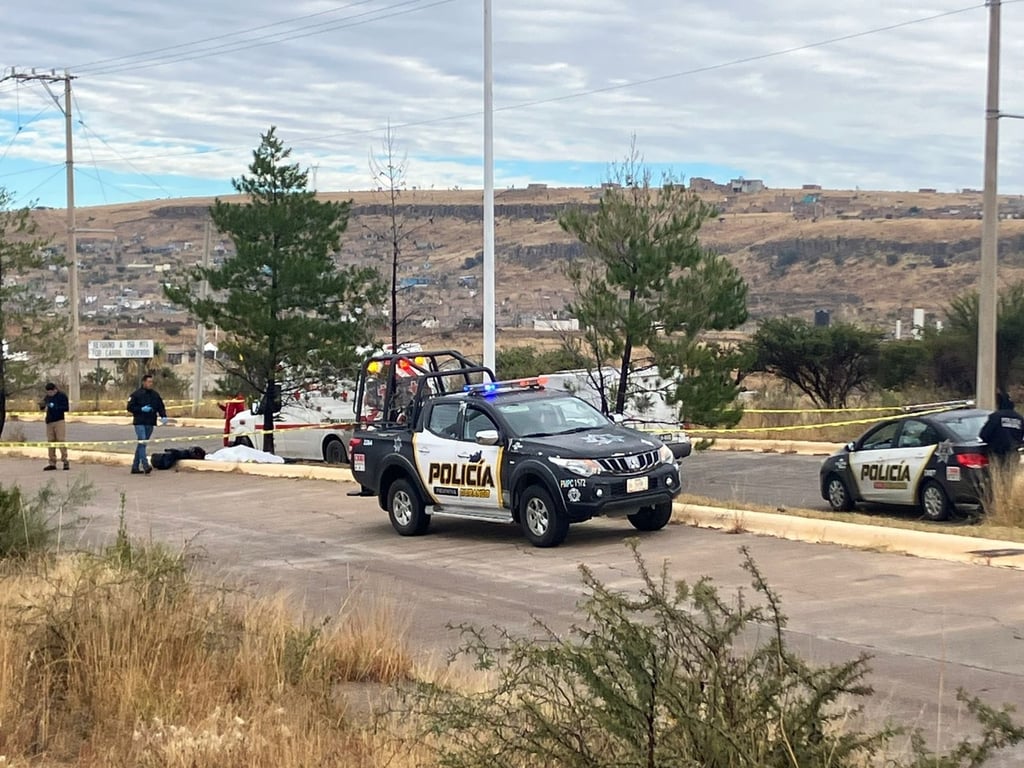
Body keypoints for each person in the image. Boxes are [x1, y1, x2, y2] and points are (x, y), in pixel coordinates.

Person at [126, 374, 168, 475]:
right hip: (139, 422)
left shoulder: (155, 395)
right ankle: (145, 465)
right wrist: (140, 409)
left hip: (150, 422)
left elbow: (160, 406)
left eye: (151, 382)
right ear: (143, 382)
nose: (150, 384)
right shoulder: (136, 394)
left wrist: (163, 416)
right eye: (149, 382)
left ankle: (135, 467)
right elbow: (130, 407)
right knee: (143, 441)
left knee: (142, 444)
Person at [979, 391, 1024, 467]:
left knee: (997, 475)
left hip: (997, 454)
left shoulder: (995, 416)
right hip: (1013, 454)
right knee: (1010, 476)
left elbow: (984, 434)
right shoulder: (1019, 418)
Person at [39, 382, 70, 471]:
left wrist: (54, 406)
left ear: (55, 390)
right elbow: (43, 407)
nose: (49, 394)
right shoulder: (47, 397)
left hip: (59, 420)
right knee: (51, 441)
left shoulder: (62, 396)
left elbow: (66, 408)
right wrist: (42, 405)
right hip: (49, 421)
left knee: (60, 440)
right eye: (48, 392)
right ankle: (52, 462)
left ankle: (65, 461)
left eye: (51, 392)